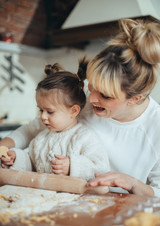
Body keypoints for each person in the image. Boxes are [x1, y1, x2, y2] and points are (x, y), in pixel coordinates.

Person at [1, 18, 160, 197]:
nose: (91, 99)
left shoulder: (156, 127)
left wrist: (132, 183)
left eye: (105, 96)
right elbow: (33, 129)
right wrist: (4, 147)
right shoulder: (82, 98)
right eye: (91, 86)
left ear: (134, 99)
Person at [0, 59, 109, 180]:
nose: (42, 116)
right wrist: (16, 158)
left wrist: (72, 166)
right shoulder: (40, 139)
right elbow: (32, 165)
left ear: (73, 111)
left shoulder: (85, 137)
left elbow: (101, 168)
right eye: (41, 110)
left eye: (50, 112)